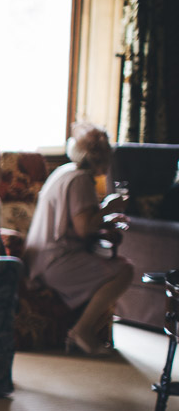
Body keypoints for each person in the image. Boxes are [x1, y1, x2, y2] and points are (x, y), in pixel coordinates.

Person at [23, 121, 134, 356]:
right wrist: (109, 207)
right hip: (56, 261)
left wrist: (104, 219)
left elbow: (76, 221)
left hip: (40, 259)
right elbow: (84, 228)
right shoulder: (81, 180)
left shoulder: (64, 171)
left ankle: (83, 330)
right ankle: (82, 330)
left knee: (113, 266)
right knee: (125, 270)